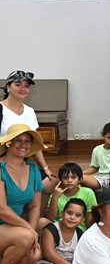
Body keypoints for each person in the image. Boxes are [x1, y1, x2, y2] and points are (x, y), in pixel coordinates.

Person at [1, 71, 56, 209]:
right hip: (3, 161)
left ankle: (32, 212)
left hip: (22, 161)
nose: (23, 88)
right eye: (18, 84)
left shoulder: (30, 111)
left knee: (52, 181)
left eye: (26, 86)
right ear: (8, 87)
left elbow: (34, 143)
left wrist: (45, 168)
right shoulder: (1, 109)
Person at [0, 123, 43, 264]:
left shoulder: (33, 169)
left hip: (12, 227)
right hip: (4, 223)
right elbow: (2, 209)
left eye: (27, 141)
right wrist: (29, 231)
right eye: (18, 140)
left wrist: (32, 232)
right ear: (8, 143)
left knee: (34, 255)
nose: (23, 144)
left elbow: (35, 205)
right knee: (26, 237)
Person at [32, 198, 85, 264]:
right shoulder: (51, 229)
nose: (72, 217)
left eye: (78, 215)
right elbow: (50, 254)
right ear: (62, 214)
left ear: (82, 220)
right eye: (69, 213)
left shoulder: (80, 234)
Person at [45, 162, 97, 231]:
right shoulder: (55, 194)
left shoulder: (88, 193)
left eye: (73, 177)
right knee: (42, 221)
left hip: (79, 228)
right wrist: (55, 197)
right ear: (60, 180)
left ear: (80, 179)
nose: (69, 180)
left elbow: (90, 218)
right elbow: (50, 218)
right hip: (59, 228)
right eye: (65, 178)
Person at [82, 122, 110, 191]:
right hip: (101, 178)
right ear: (103, 136)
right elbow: (94, 168)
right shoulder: (97, 149)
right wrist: (80, 173)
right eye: (109, 137)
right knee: (79, 178)